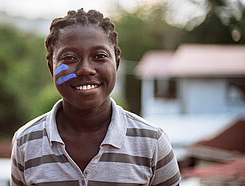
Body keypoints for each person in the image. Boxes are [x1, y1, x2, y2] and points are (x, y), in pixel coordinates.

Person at [11, 9, 181, 186]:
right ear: (51, 68)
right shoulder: (26, 142)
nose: (85, 69)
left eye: (99, 56)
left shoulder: (152, 142)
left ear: (116, 63)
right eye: (69, 58)